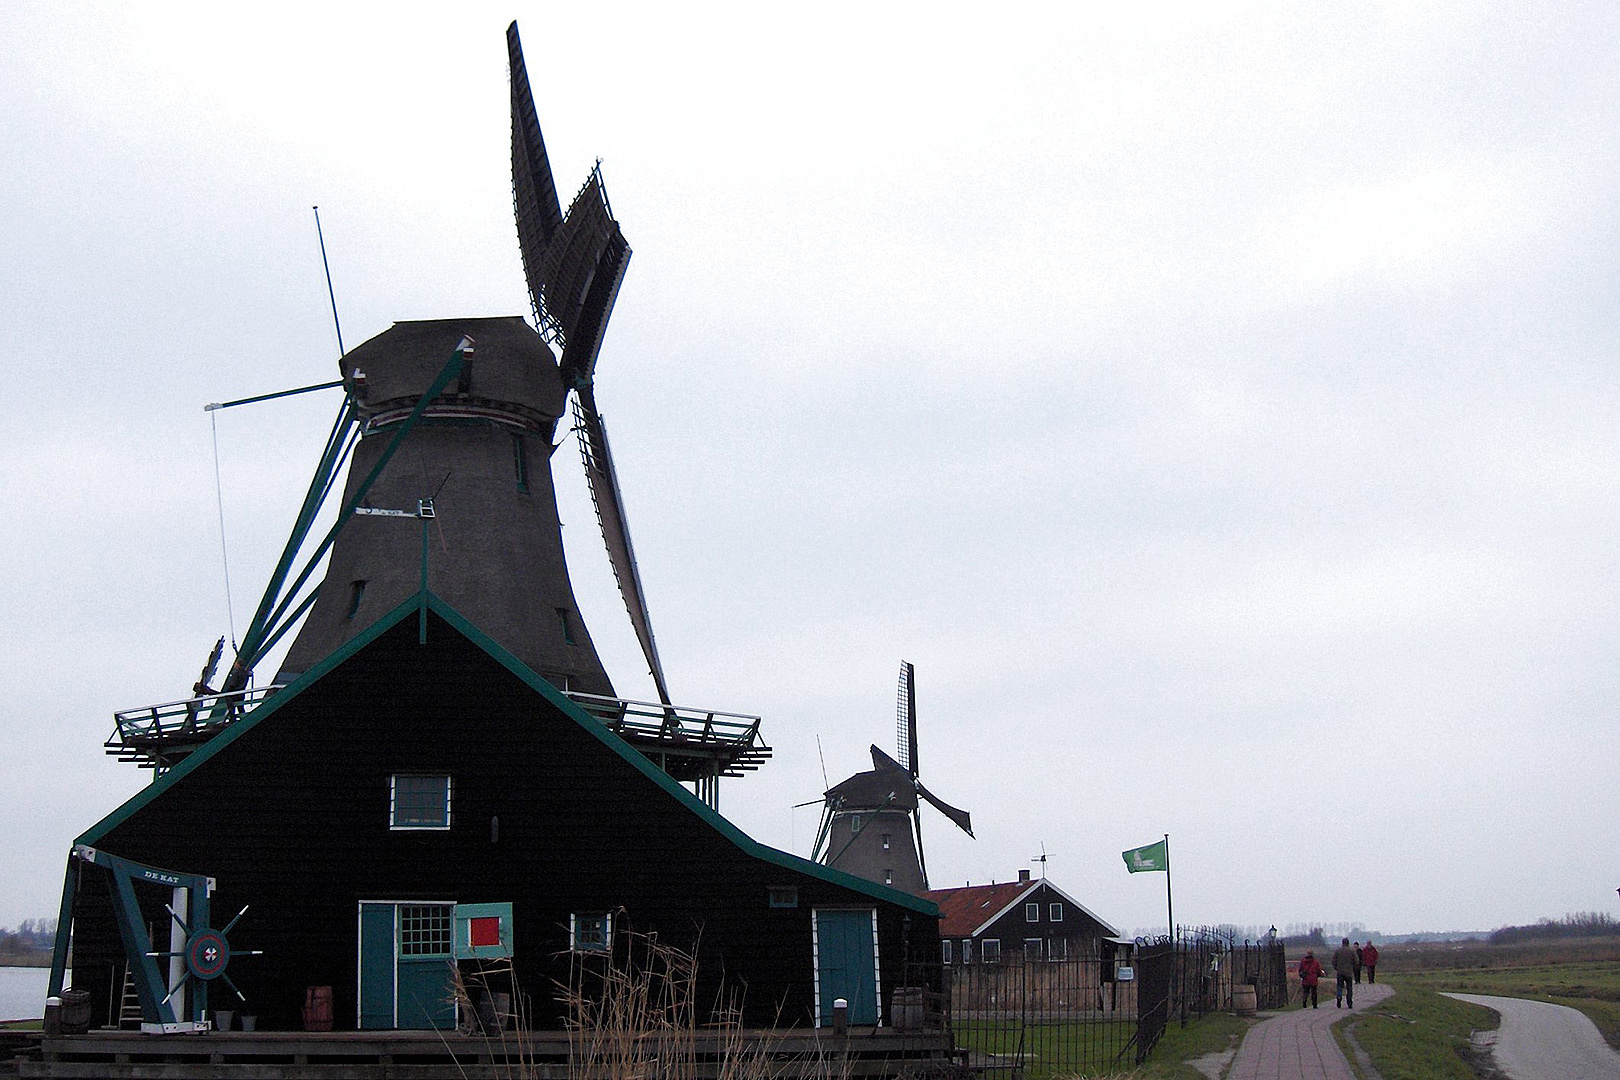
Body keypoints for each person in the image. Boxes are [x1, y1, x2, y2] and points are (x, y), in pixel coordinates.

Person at [1332, 937, 1357, 1008]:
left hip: (1340, 971)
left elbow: (1333, 960)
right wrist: (1353, 968)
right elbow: (1356, 961)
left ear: (1342, 943)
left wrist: (1336, 967)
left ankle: (1339, 997)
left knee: (1339, 986)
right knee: (1349, 987)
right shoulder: (1352, 951)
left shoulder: (1338, 951)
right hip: (1349, 972)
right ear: (1348, 943)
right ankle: (1349, 1002)